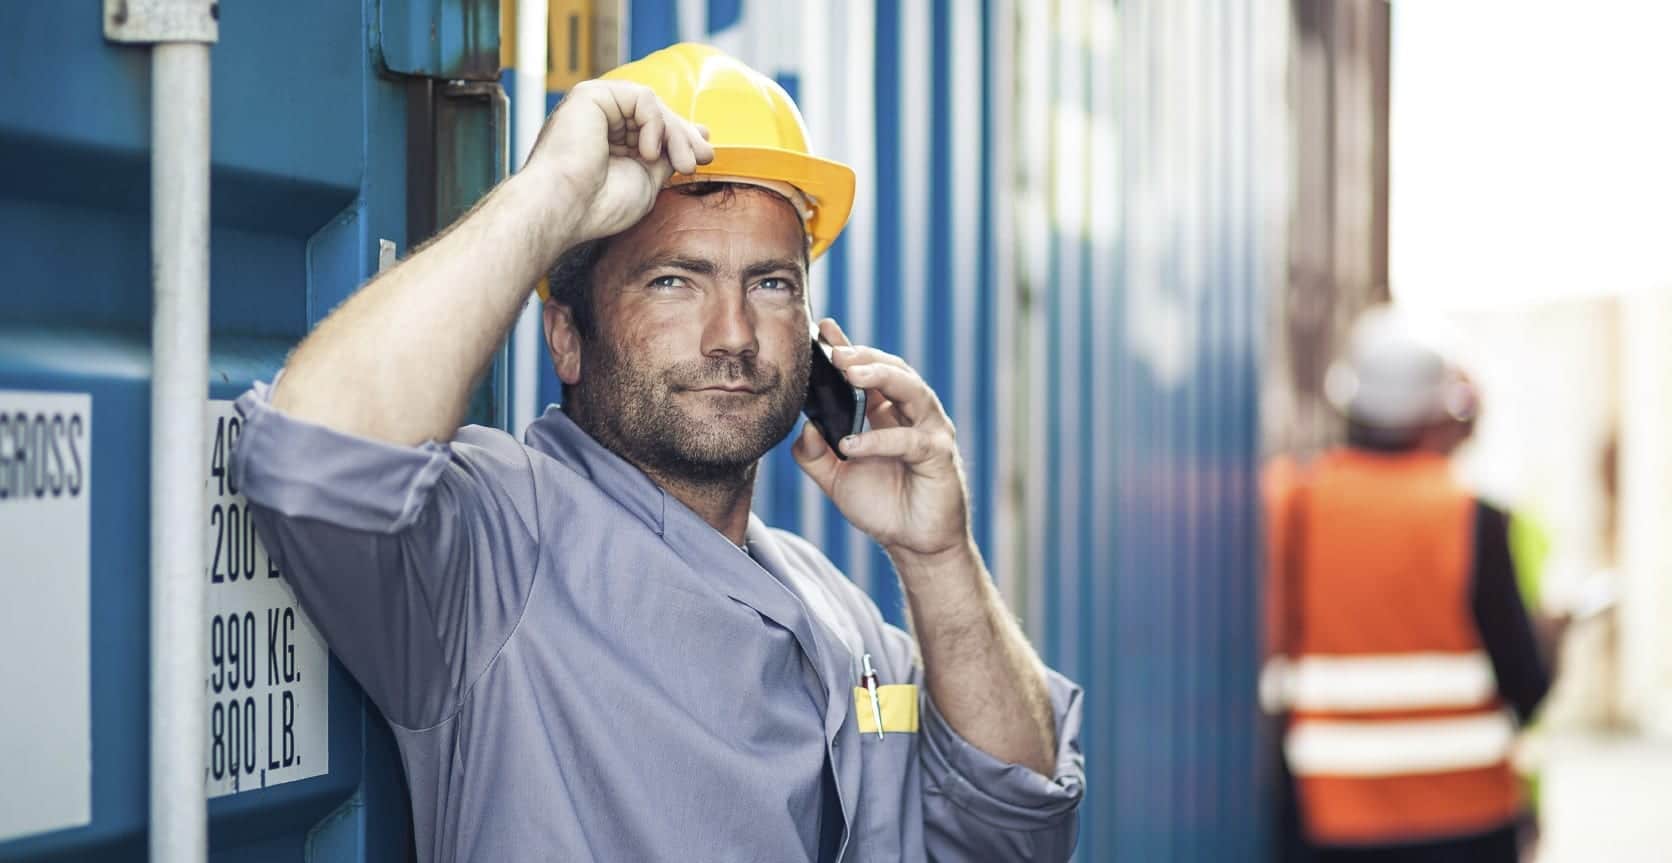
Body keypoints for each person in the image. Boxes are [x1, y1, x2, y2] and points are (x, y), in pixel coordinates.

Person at [229, 43, 1083, 862]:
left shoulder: (835, 612)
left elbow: (1014, 832)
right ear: (567, 336)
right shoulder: (495, 550)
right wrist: (550, 195)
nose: (734, 335)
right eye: (674, 279)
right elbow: (313, 459)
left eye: (770, 283)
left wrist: (937, 555)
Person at [1265, 307, 1550, 863]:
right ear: (1439, 417)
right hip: (1467, 822)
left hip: (1334, 819)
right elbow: (1528, 687)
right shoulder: (1473, 516)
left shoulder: (1295, 504)